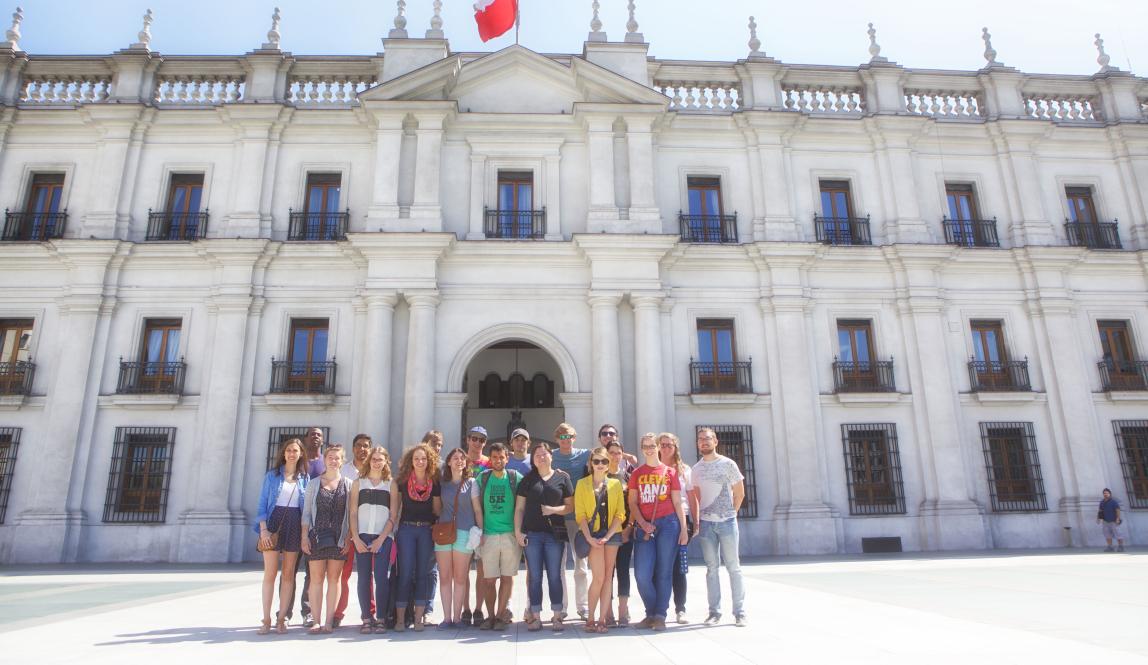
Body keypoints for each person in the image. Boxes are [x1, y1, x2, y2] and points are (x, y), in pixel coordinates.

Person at [628, 432, 688, 631]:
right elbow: (633, 503)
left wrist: (684, 530)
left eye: (652, 446)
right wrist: (642, 523)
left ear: (658, 447)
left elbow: (678, 502)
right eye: (645, 446)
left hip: (669, 524)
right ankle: (651, 611)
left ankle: (659, 615)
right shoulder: (637, 473)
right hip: (645, 526)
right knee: (642, 575)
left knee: (664, 572)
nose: (649, 449)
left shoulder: (670, 472)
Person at [515, 441, 574, 632]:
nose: (541, 457)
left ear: (551, 456)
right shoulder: (527, 480)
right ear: (533, 459)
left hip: (554, 535)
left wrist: (552, 510)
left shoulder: (562, 478)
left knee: (555, 576)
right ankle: (535, 615)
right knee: (535, 577)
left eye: (544, 454)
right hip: (532, 534)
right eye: (537, 454)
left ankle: (557, 615)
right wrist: (518, 532)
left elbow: (570, 507)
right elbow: (519, 509)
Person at [692, 427, 747, 627]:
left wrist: (731, 513)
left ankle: (739, 612)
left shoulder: (728, 464)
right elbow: (697, 498)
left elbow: (739, 492)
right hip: (706, 524)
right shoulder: (696, 469)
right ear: (698, 444)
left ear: (715, 441)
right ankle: (714, 612)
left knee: (734, 567)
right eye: (700, 439)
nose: (704, 442)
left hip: (727, 522)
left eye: (708, 439)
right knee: (712, 569)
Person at [255, 437, 309, 634]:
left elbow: (306, 509)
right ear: (283, 454)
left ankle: (281, 618)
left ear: (301, 453)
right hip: (273, 523)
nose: (292, 454)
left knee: (288, 575)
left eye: (295, 450)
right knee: (269, 574)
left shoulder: (305, 478)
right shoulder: (272, 476)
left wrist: (305, 532)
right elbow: (261, 505)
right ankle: (266, 619)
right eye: (288, 450)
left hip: (295, 523)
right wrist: (263, 530)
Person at [301, 444, 353, 634]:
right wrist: (304, 537)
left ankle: (329, 621)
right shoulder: (313, 483)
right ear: (325, 459)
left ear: (342, 461)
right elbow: (306, 513)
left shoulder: (348, 484)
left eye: (337, 457)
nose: (333, 460)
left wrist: (349, 538)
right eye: (330, 457)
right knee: (316, 579)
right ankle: (316, 620)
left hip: (338, 539)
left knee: (335, 579)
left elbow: (351, 514)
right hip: (316, 537)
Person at [389, 443, 441, 632]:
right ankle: (401, 619)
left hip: (426, 531)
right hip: (406, 531)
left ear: (429, 461)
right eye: (417, 458)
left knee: (422, 575)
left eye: (424, 459)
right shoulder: (402, 482)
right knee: (405, 574)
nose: (420, 462)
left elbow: (436, 510)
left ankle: (419, 619)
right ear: (411, 461)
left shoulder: (434, 482)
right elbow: (396, 509)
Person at [472, 442, 524, 631]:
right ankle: (490, 616)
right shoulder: (482, 478)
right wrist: (480, 530)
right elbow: (475, 506)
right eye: (494, 457)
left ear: (507, 458)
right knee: (489, 579)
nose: (498, 460)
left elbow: (522, 505)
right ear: (490, 458)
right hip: (489, 535)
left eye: (501, 457)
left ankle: (501, 616)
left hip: (510, 534)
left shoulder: (515, 477)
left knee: (507, 577)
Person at [574, 446, 626, 634]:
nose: (600, 465)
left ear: (608, 464)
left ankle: (602, 619)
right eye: (596, 461)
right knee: (599, 577)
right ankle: (590, 618)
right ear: (591, 463)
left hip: (612, 535)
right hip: (593, 536)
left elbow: (621, 514)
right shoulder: (582, 484)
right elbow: (580, 515)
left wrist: (608, 535)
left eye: (604, 461)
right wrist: (589, 538)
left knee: (608, 577)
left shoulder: (615, 484)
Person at [349, 446, 393, 634]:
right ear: (369, 461)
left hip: (383, 537)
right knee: (364, 578)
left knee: (382, 578)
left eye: (380, 459)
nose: (376, 462)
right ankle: (367, 618)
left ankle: (381, 618)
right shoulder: (359, 483)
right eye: (373, 459)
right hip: (362, 535)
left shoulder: (391, 484)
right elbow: (352, 512)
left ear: (385, 462)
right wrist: (355, 538)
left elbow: (393, 515)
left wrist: (381, 539)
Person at [549, 422, 590, 619]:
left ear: (574, 438)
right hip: (558, 517)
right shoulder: (552, 456)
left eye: (569, 437)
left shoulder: (584, 455)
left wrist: (627, 457)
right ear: (557, 439)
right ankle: (562, 607)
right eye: (562, 438)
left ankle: (583, 606)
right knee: (559, 566)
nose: (566, 441)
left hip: (579, 517)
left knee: (581, 564)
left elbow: (604, 456)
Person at [659, 432, 700, 624]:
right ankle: (658, 609)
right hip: (658, 519)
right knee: (658, 567)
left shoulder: (685, 470)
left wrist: (695, 522)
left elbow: (692, 498)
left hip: (680, 519)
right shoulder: (653, 469)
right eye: (663, 444)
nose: (666, 448)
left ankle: (680, 608)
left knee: (678, 567)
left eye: (670, 445)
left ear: (676, 448)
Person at [435, 448, 478, 630]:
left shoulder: (472, 483)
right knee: (445, 577)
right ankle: (446, 618)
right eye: (455, 458)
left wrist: (480, 531)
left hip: (464, 533)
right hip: (444, 533)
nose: (459, 461)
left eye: (462, 458)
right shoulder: (442, 485)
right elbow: (436, 509)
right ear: (449, 462)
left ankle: (458, 618)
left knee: (460, 577)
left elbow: (477, 509)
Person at [333, 434, 372, 627]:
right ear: (353, 448)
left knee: (368, 574)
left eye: (366, 446)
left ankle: (370, 613)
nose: (362, 449)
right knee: (343, 573)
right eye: (359, 446)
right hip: (346, 529)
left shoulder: (375, 470)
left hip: (368, 529)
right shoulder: (343, 470)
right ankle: (338, 612)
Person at [461, 426, 491, 625]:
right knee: (463, 570)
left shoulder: (490, 463)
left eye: (481, 439)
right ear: (467, 439)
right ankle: (465, 609)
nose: (477, 442)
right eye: (474, 438)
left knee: (481, 569)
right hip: (464, 521)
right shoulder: (460, 461)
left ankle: (479, 609)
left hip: (485, 521)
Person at [603, 437, 633, 627]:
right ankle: (608, 611)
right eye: (611, 452)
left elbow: (633, 505)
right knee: (607, 573)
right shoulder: (600, 476)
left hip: (624, 532)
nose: (615, 456)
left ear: (623, 455)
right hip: (605, 533)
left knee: (623, 570)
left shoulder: (628, 477)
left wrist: (629, 527)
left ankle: (623, 610)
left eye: (618, 452)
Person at [1098, 488, 1126, 552]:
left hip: (1114, 521)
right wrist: (1099, 518)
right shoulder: (1102, 502)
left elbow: (1118, 510)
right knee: (1107, 534)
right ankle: (1110, 547)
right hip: (1105, 521)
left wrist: (1118, 518)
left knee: (1118, 534)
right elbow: (1100, 510)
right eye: (1104, 493)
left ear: (1110, 494)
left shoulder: (1113, 502)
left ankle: (1121, 546)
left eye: (1107, 493)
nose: (1105, 494)